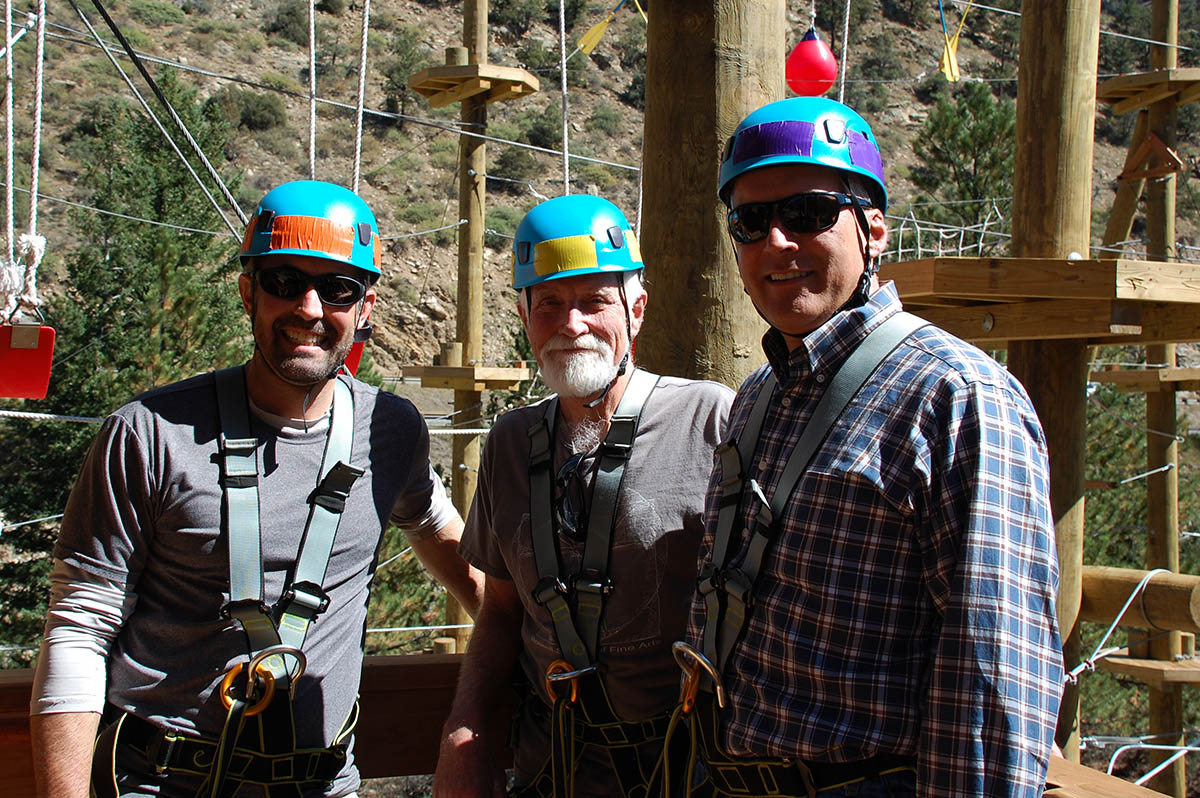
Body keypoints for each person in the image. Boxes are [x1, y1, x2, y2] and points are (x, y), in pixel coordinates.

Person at [29, 180, 484, 798]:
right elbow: (80, 628)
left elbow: (434, 525)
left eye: (338, 290)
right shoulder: (148, 434)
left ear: (366, 308)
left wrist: (518, 633)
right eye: (284, 282)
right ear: (248, 292)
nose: (311, 308)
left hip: (321, 783)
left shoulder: (390, 430)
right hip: (160, 783)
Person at [665, 97, 1064, 797]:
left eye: (810, 213)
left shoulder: (956, 397)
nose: (777, 243)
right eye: (751, 221)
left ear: (873, 228)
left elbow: (993, 678)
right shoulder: (759, 397)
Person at [433, 195, 734, 798]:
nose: (571, 325)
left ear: (636, 310)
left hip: (684, 773)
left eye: (594, 301)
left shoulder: (708, 419)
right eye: (549, 305)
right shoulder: (512, 444)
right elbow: (500, 611)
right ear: (525, 319)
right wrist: (464, 730)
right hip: (553, 770)